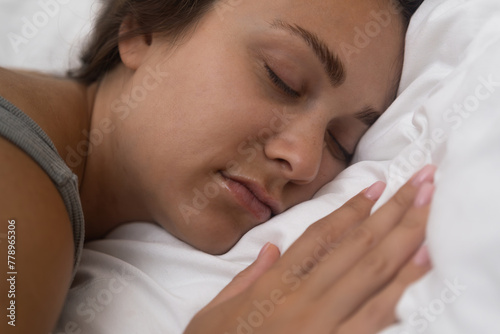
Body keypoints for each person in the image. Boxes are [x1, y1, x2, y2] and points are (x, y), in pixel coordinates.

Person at [0, 0, 428, 332]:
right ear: (145, 29)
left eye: (340, 142)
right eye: (283, 79)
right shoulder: (18, 183)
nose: (303, 160)